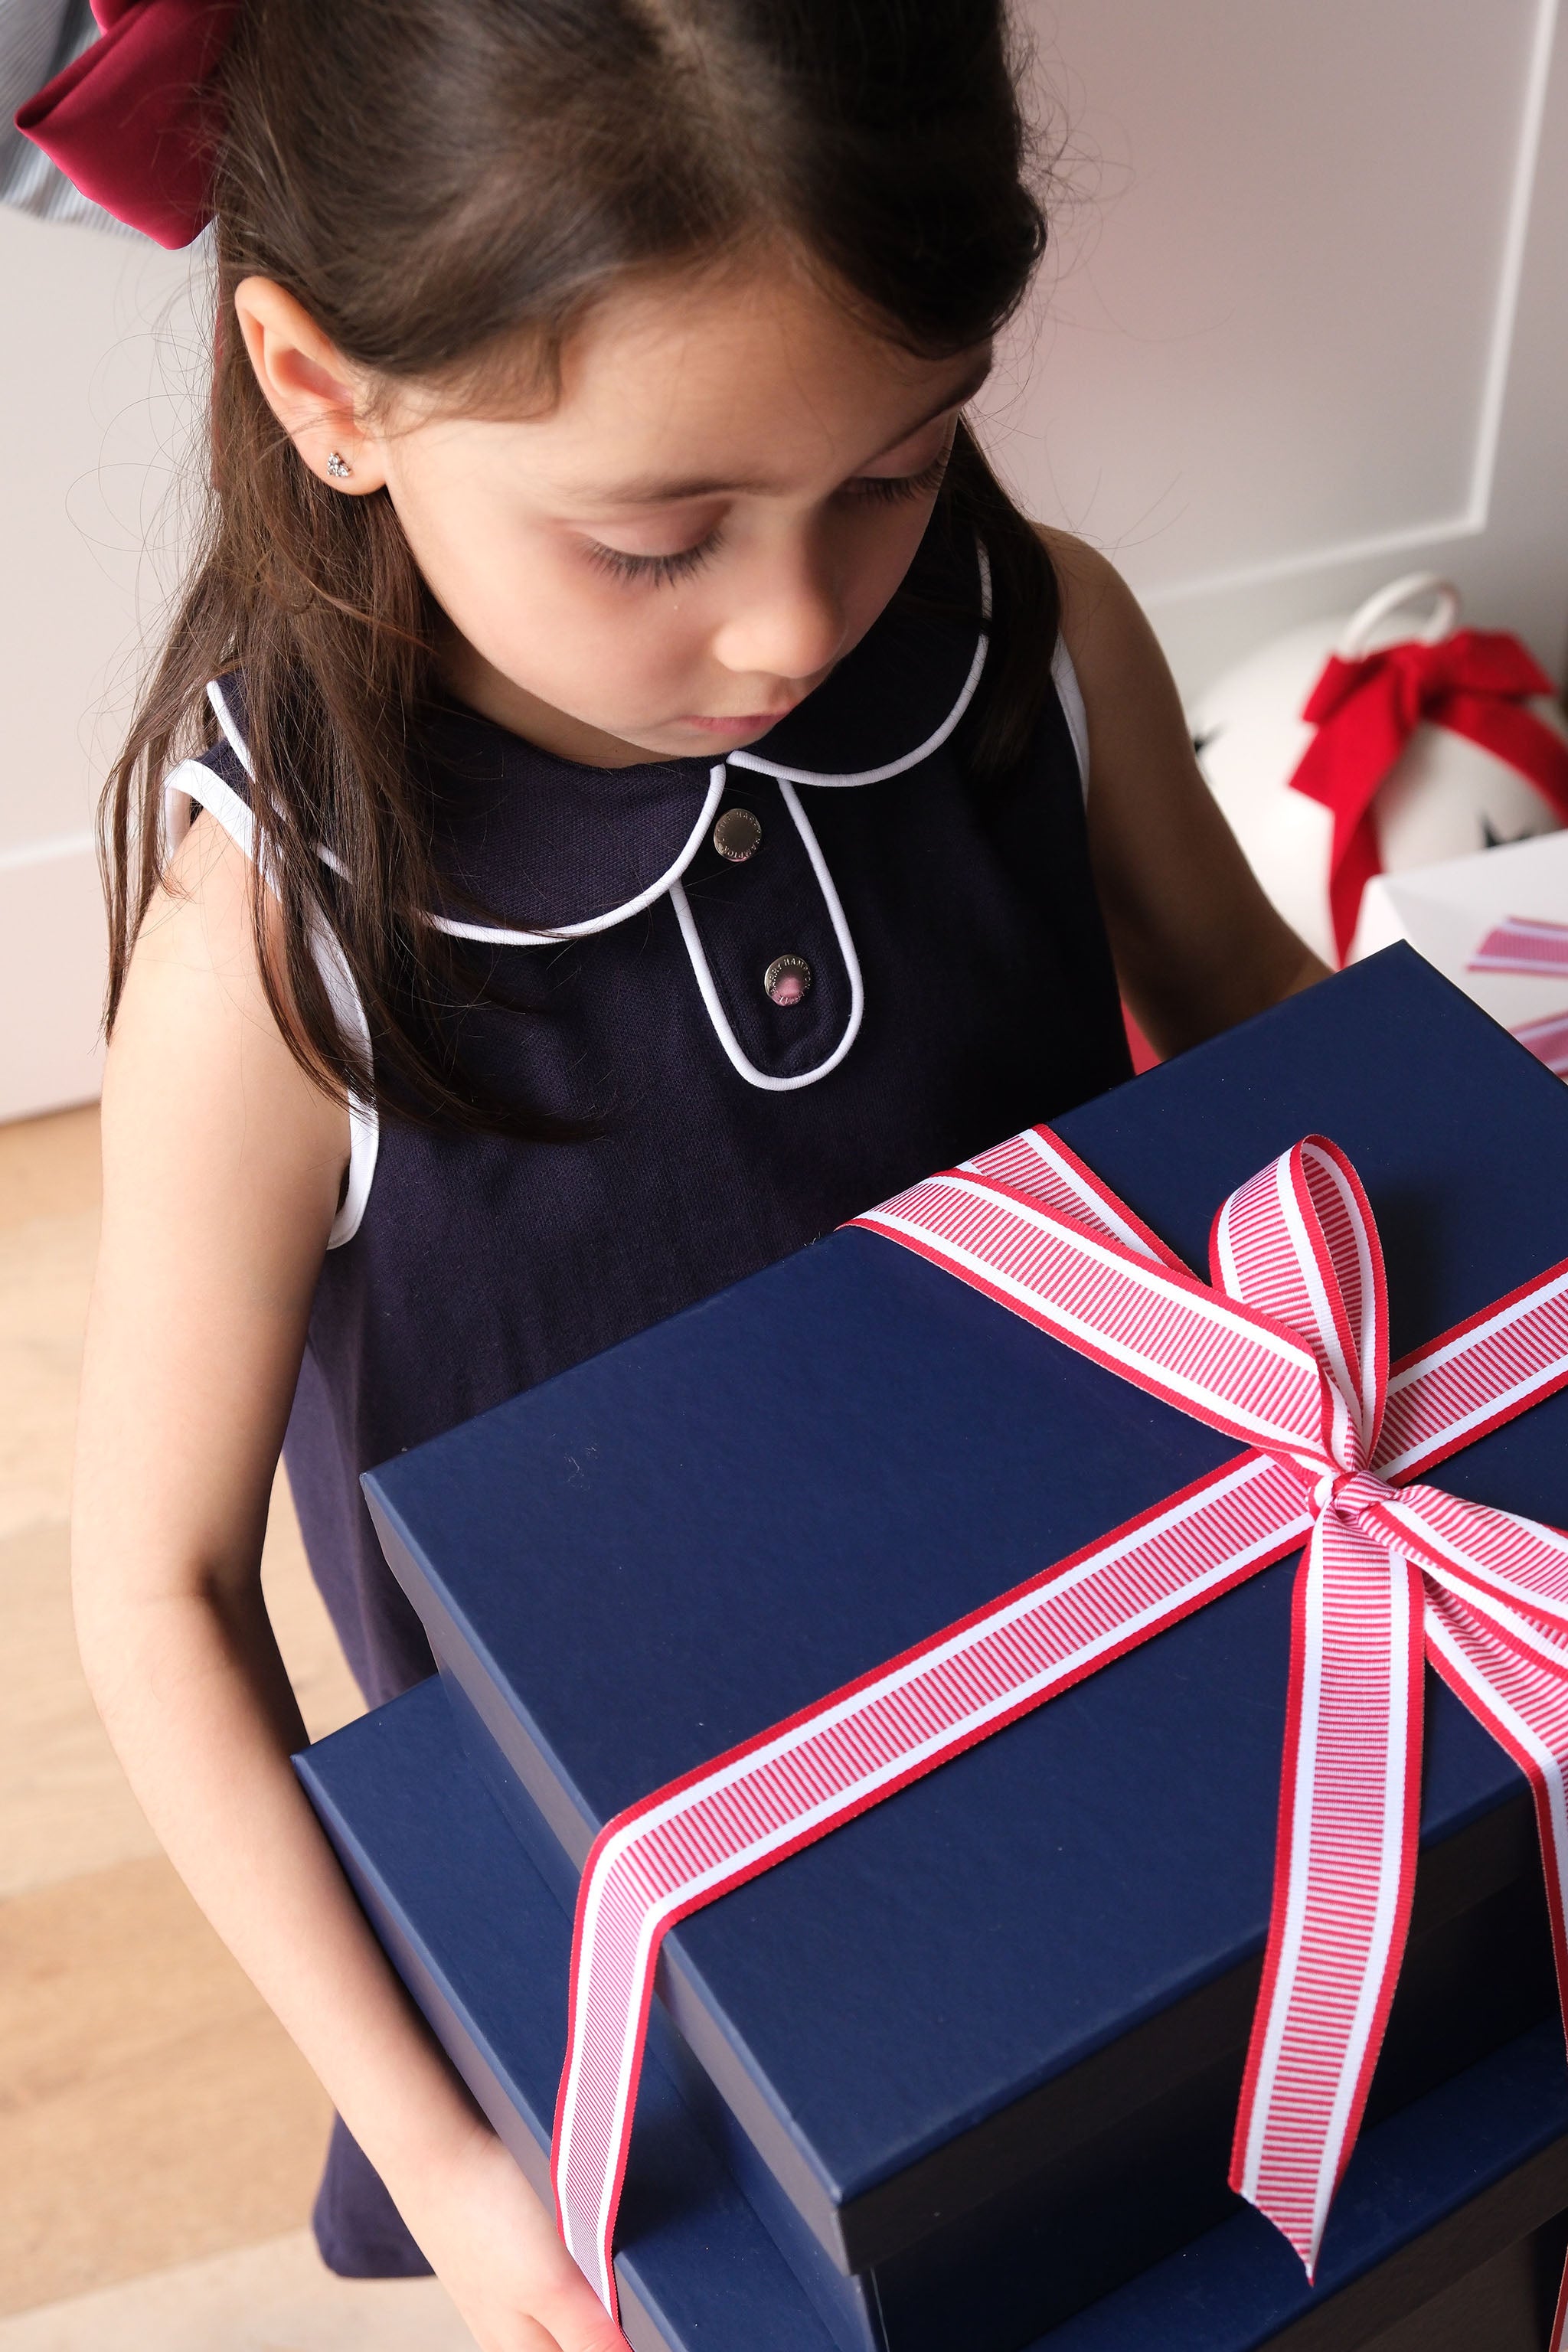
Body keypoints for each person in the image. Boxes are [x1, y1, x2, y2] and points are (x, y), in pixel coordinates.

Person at [39, 1, 1325, 2346]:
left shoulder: (1038, 640)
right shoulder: (274, 952)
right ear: (332, 399)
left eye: (895, 471)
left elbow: (1265, 1031)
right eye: (655, 540)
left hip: (1151, 1733)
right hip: (661, 1939)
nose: (791, 625)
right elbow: (155, 1598)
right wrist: (440, 2147)